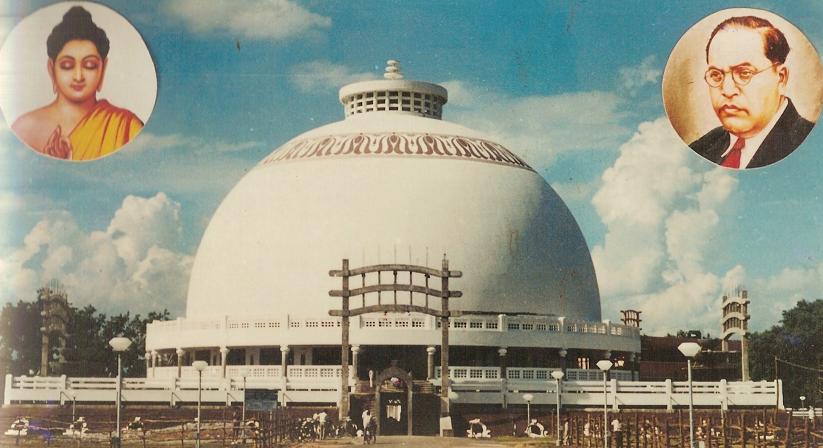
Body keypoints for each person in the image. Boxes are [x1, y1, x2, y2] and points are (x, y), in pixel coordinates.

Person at [11, 6, 143, 161]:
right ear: (51, 69)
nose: (78, 76)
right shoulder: (25, 128)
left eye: (90, 65)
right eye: (67, 66)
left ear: (103, 68)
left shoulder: (126, 125)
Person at [689, 16, 814, 169]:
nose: (727, 90)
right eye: (716, 75)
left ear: (781, 78)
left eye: (744, 73)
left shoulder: (810, 143)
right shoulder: (699, 149)